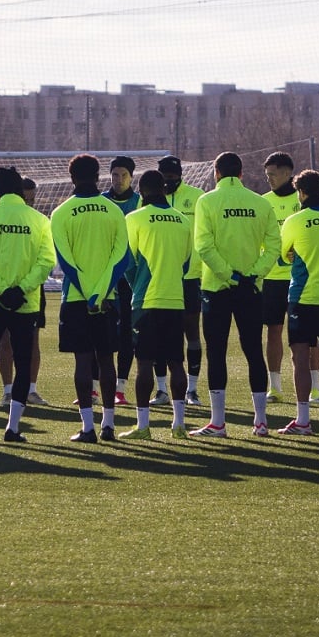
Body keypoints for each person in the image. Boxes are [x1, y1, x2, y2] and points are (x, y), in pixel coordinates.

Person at [189, 152, 280, 438]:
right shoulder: (260, 202)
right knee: (254, 350)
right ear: (241, 174)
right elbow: (274, 247)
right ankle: (261, 422)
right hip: (251, 289)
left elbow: (204, 246)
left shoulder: (207, 201)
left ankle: (218, 422)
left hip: (217, 288)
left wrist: (230, 275)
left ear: (216, 173)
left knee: (216, 353)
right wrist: (254, 274)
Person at [0, 166, 55, 442]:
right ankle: (12, 428)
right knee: (23, 362)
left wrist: (2, 289)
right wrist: (21, 289)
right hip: (25, 303)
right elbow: (46, 261)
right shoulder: (39, 219)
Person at [50, 153, 131, 443]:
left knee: (83, 362)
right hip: (107, 298)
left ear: (71, 178)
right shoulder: (113, 211)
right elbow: (121, 257)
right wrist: (100, 291)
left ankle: (87, 428)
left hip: (75, 299)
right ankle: (108, 425)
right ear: (98, 177)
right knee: (107, 360)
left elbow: (66, 261)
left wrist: (87, 292)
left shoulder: (60, 212)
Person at [118, 169, 194, 439]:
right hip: (175, 298)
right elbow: (186, 263)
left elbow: (128, 262)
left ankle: (143, 426)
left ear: (141, 191)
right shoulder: (182, 220)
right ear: (164, 189)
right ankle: (180, 424)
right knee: (176, 362)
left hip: (146, 299)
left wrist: (137, 283)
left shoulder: (134, 218)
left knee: (145, 364)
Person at [276, 169, 319, 435]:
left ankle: (303, 420)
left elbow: (284, 256)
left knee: (300, 358)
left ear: (302, 192)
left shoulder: (295, 220)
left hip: (303, 297)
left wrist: (294, 255)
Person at [261, 151, 319, 403]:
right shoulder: (263, 202)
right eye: (267, 175)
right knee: (273, 330)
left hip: (303, 277)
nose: (270, 180)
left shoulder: (304, 200)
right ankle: (274, 387)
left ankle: (315, 387)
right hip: (273, 278)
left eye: (273, 174)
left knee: (310, 335)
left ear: (288, 172)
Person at [154, 156, 204, 406]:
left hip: (190, 277)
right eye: (164, 177)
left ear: (181, 175)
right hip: (160, 277)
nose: (168, 181)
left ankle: (192, 390)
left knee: (192, 332)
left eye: (173, 177)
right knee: (160, 335)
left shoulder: (197, 196)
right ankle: (161, 389)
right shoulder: (150, 198)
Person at [0, 176, 47, 406]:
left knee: (32, 340)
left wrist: (27, 284)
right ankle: (8, 390)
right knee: (5, 339)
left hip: (32, 289)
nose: (29, 204)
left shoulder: (39, 221)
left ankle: (30, 389)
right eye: (25, 199)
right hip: (3, 289)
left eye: (32, 200)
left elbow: (44, 258)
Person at [103, 156, 140, 406]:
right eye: (115, 175)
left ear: (132, 177)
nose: (118, 180)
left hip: (130, 278)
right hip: (105, 277)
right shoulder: (101, 202)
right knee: (101, 332)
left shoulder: (140, 202)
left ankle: (120, 388)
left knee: (127, 333)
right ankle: (96, 386)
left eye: (123, 175)